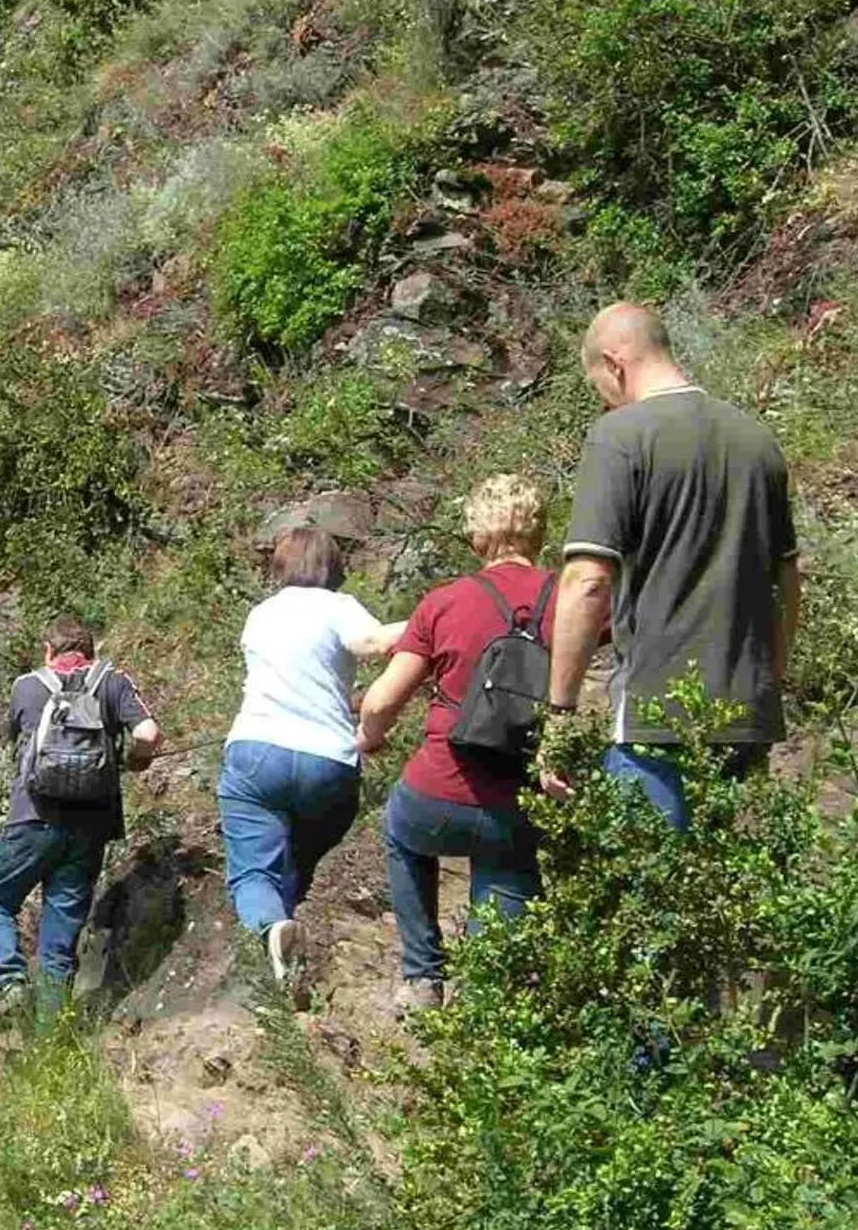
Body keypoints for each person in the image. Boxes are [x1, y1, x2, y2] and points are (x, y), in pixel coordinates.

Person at [544, 303, 801, 826]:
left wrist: (560, 713)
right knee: (730, 894)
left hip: (655, 721)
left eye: (599, 383)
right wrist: (767, 678)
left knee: (649, 891)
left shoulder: (620, 436)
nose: (603, 397)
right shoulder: (758, 441)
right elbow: (788, 582)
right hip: (747, 718)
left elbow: (588, 582)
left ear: (615, 363)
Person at [355, 474, 556, 1015]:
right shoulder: (571, 596)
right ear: (538, 532)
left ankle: (423, 977)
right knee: (504, 890)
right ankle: (485, 1010)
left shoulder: (445, 603)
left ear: (476, 537)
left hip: (438, 788)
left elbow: (379, 701)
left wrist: (369, 738)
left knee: (400, 830)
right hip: (520, 797)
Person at [218, 524, 404, 991]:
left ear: (280, 566)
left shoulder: (259, 614)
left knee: (254, 869)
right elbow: (376, 643)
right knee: (299, 859)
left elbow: (291, 678)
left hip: (256, 751)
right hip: (328, 762)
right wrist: (436, 617)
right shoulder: (338, 606)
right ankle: (286, 936)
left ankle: (272, 927)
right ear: (333, 567)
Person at [0, 615, 162, 1024]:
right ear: (91, 651)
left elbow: (13, 744)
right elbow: (148, 734)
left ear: (49, 650)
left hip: (31, 817)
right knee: (58, 942)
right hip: (90, 829)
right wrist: (135, 761)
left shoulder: (26, 686)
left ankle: (8, 982)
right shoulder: (112, 681)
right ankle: (50, 1044)